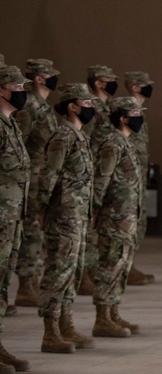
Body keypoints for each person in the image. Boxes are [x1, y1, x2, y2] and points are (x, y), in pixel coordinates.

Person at [37, 83, 99, 354]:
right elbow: (49, 176)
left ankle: (66, 323)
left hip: (77, 215)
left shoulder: (79, 136)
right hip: (63, 215)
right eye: (86, 104)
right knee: (58, 270)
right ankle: (50, 331)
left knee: (73, 271)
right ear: (72, 106)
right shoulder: (63, 136)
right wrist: (41, 209)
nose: (91, 109)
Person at [91, 97, 144, 338]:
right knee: (109, 265)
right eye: (134, 112)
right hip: (114, 216)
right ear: (122, 118)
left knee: (121, 265)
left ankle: (113, 312)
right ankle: (102, 317)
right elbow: (101, 181)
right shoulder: (112, 143)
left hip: (127, 216)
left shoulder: (126, 142)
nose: (138, 116)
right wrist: (94, 211)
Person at [14, 58, 60, 309]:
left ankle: (32, 280)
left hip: (43, 177)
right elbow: (19, 142)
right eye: (50, 74)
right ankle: (25, 284)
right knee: (31, 229)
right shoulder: (30, 106)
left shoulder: (43, 105)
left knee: (38, 229)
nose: (54, 78)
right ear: (39, 78)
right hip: (32, 178)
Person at [0, 65, 32, 374]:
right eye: (16, 87)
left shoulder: (11, 125)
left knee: (3, 281)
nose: (21, 92)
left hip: (12, 217)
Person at [79, 65, 120, 297]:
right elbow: (87, 138)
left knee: (99, 226)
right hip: (94, 170)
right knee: (88, 226)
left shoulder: (104, 106)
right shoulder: (92, 106)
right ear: (98, 82)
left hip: (105, 170)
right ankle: (84, 273)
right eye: (108, 79)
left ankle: (93, 270)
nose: (113, 82)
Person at [122, 71, 156, 285]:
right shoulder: (125, 111)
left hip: (139, 174)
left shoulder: (138, 113)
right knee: (127, 223)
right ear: (135, 86)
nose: (149, 87)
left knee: (138, 222)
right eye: (145, 84)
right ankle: (124, 267)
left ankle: (129, 264)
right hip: (128, 176)